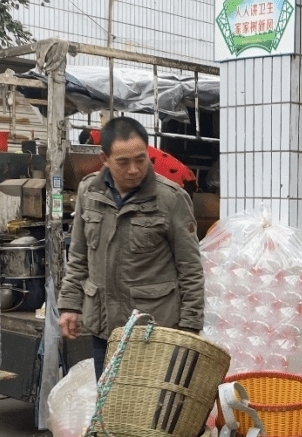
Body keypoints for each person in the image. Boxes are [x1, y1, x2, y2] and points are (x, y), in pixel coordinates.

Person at [58, 116, 204, 378]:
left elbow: (190, 268)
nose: (134, 169)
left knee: (150, 414)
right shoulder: (89, 191)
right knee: (110, 408)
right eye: (123, 162)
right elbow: (79, 255)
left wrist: (190, 328)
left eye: (140, 159)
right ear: (104, 159)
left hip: (154, 330)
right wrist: (70, 304)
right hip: (105, 329)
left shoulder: (171, 199)